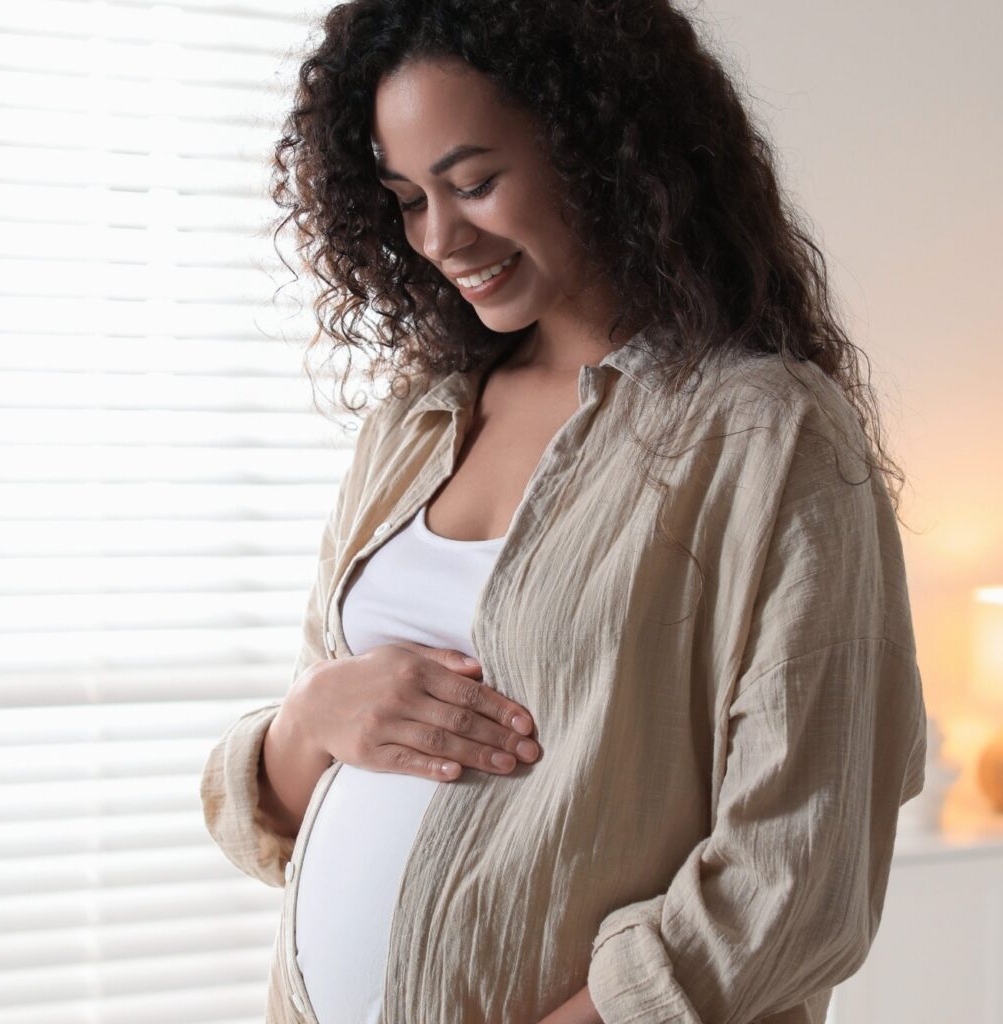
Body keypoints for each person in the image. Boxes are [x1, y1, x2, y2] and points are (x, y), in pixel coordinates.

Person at [199, 1, 927, 1021]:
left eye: (473, 183)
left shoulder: (764, 434)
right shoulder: (417, 423)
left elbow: (797, 876)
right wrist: (312, 713)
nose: (440, 236)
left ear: (599, 146)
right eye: (407, 200)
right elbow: (282, 807)